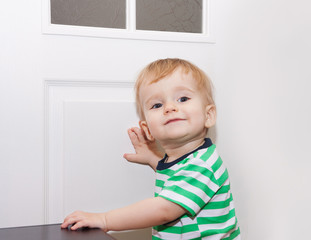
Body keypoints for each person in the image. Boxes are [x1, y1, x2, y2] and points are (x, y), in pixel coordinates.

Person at [61, 58, 241, 239]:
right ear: (148, 129)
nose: (170, 107)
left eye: (183, 98)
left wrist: (105, 219)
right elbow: (178, 178)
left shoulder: (203, 165)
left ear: (208, 115)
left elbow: (164, 209)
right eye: (157, 105)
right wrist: (152, 159)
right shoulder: (189, 160)